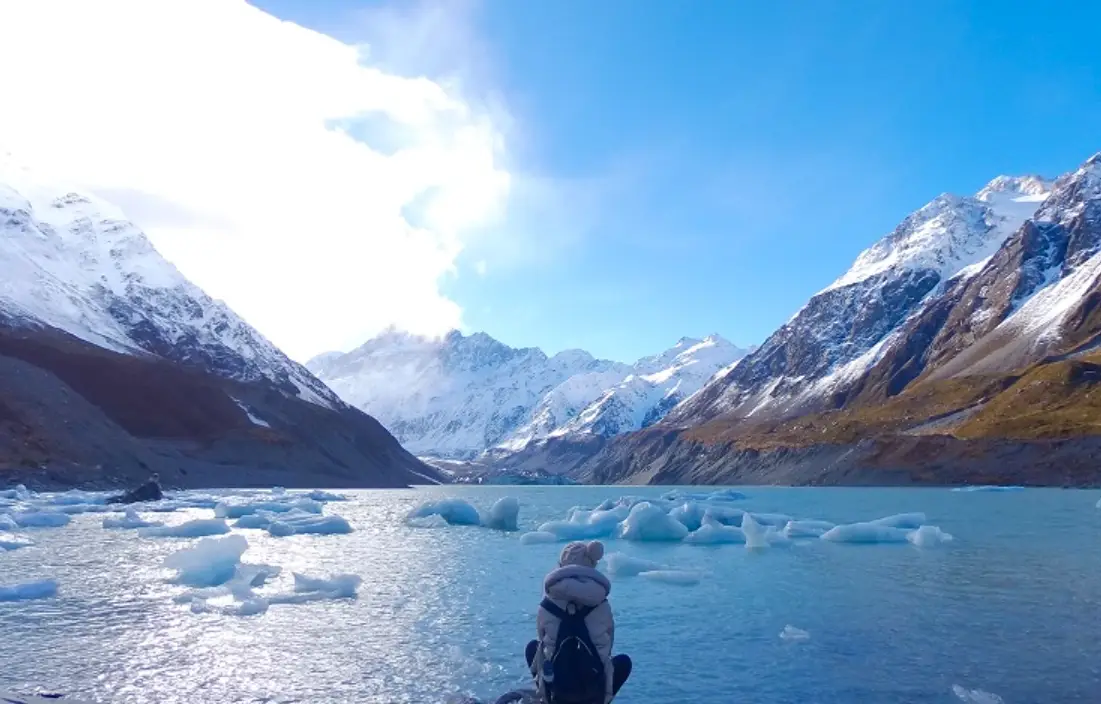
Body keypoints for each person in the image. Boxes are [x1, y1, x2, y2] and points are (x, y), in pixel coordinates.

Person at [526, 540, 632, 704]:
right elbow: (609, 644)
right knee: (623, 662)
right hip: (593, 689)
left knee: (532, 647)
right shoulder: (602, 604)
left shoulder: (547, 604)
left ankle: (547, 698)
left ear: (561, 566)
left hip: (556, 688)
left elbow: (542, 642)